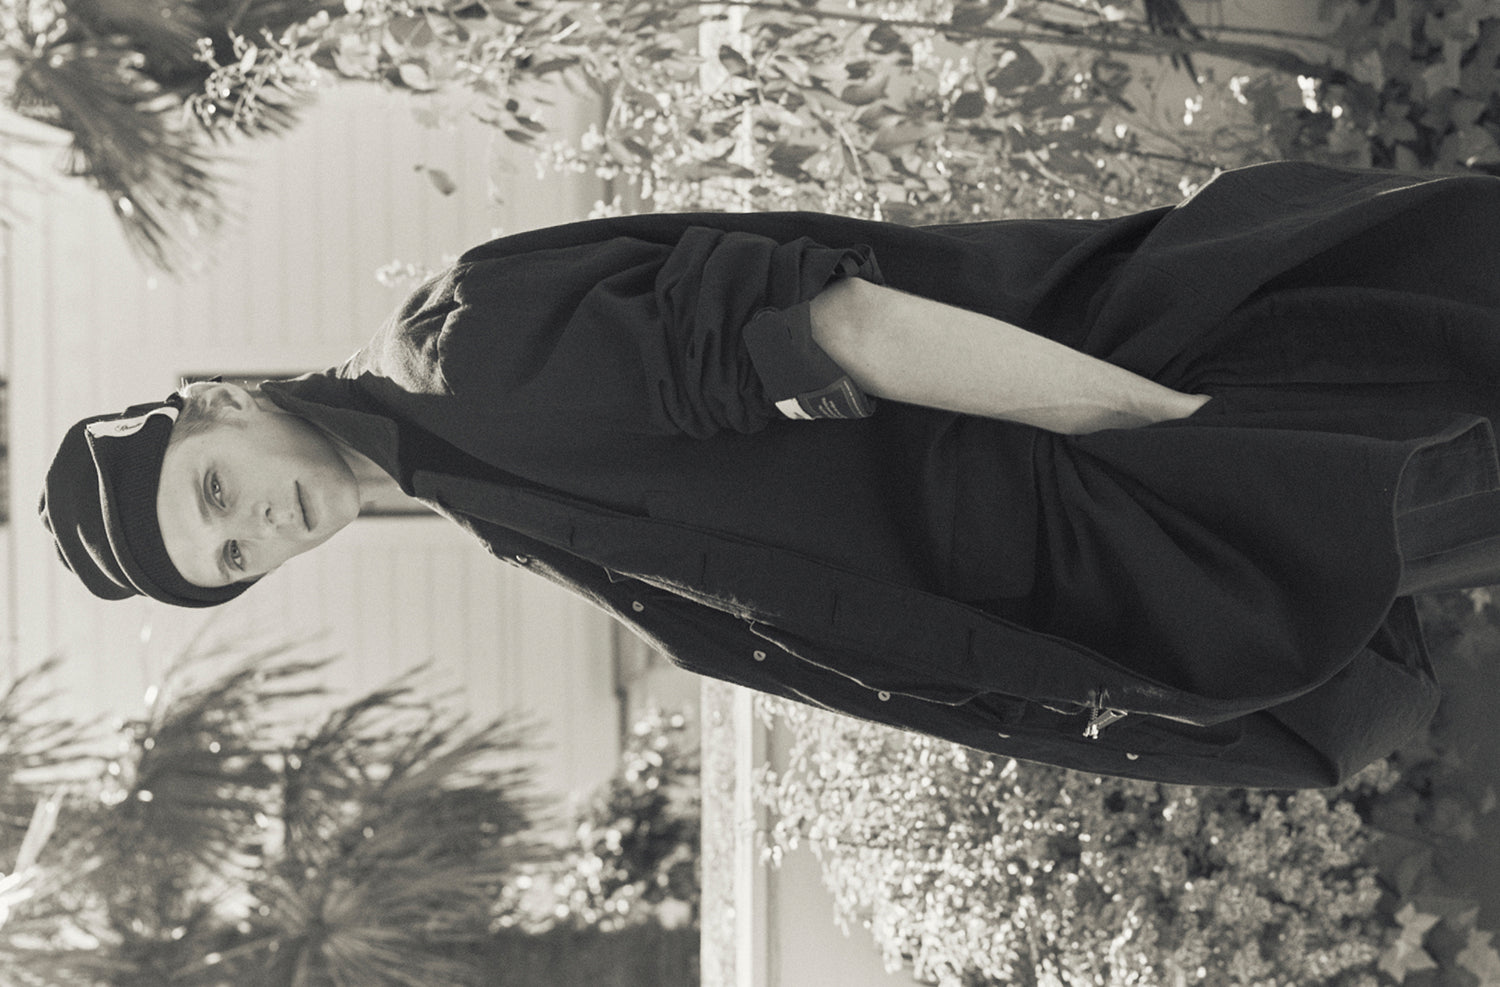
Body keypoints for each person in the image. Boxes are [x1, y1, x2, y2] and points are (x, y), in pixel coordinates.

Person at [39, 160, 1500, 789]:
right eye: (231, 559)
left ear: (218, 404)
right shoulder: (471, 486)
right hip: (1133, 543)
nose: (260, 526)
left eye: (214, 491)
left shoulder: (464, 363)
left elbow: (833, 328)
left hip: (1165, 471)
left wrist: (1161, 428)